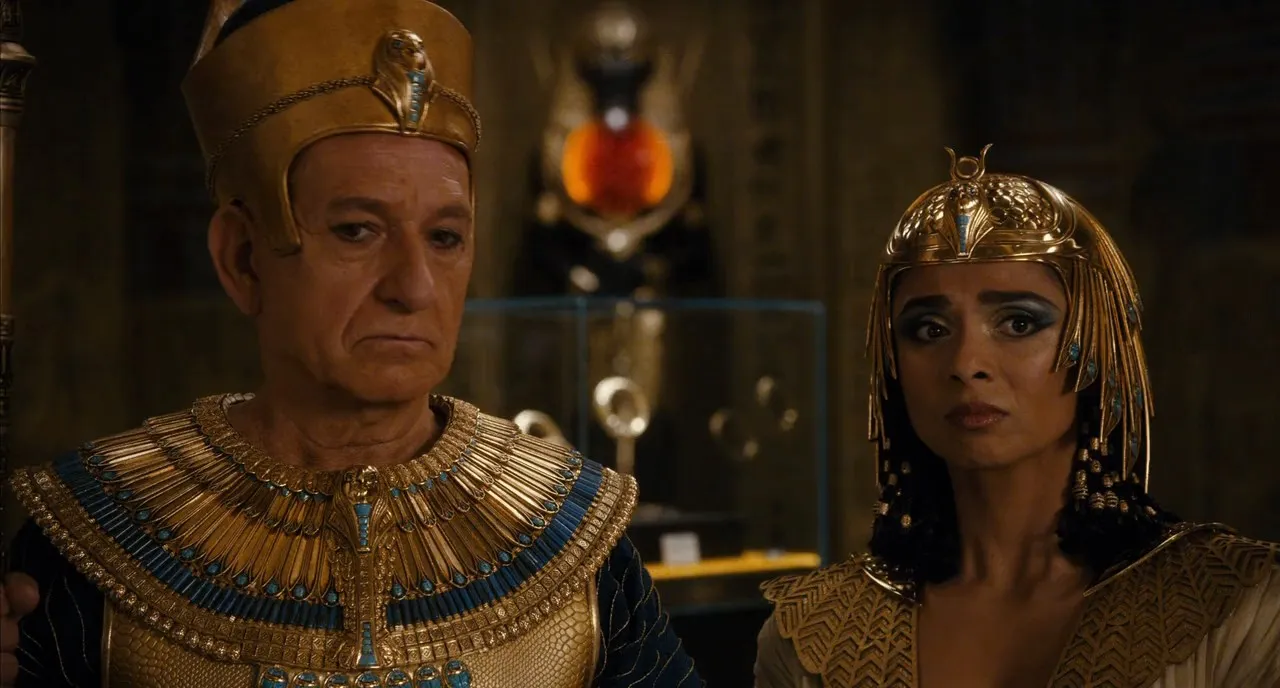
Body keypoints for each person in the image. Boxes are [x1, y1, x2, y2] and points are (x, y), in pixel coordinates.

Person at [0, 1, 701, 686]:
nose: (414, 286)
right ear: (243, 259)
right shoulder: (97, 536)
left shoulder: (575, 541)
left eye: (445, 237)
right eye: (357, 231)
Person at [754, 146, 1280, 688]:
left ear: (1095, 345)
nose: (966, 364)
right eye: (929, 330)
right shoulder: (815, 634)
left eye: (1019, 323)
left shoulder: (1240, 607)